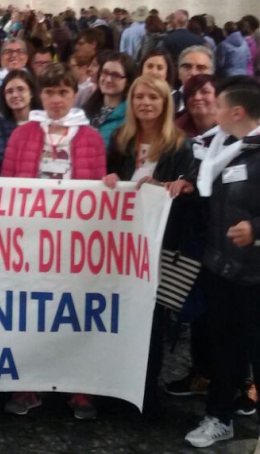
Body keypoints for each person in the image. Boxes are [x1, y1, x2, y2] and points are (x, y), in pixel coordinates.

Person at [1, 63, 106, 419]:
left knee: (72, 314)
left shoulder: (91, 137)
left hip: (73, 242)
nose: (56, 99)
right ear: (39, 95)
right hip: (30, 241)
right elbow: (7, 186)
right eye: (49, 92)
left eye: (63, 92)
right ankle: (27, 385)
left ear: (74, 93)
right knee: (30, 313)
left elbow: (97, 194)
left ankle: (78, 388)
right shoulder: (23, 135)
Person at [102, 75, 196, 417]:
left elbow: (190, 186)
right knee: (120, 317)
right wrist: (110, 179)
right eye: (139, 97)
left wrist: (178, 186)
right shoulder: (121, 139)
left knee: (151, 322)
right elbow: (109, 176)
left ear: (164, 103)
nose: (145, 103)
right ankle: (114, 388)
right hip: (121, 247)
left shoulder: (179, 145)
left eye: (153, 98)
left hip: (158, 248)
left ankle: (145, 391)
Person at [183, 76, 260, 448]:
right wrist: (183, 184)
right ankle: (219, 417)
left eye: (218, 106)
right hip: (219, 267)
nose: (211, 110)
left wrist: (256, 229)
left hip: (254, 273)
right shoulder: (215, 146)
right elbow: (206, 194)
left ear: (237, 111)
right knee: (223, 346)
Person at [83, 52, 138, 148]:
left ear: (128, 82)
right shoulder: (87, 108)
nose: (108, 79)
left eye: (115, 75)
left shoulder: (130, 117)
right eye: (105, 72)